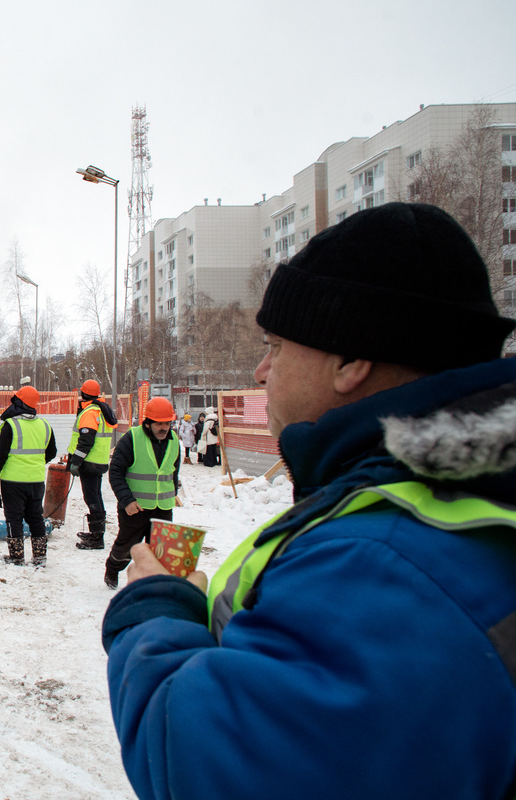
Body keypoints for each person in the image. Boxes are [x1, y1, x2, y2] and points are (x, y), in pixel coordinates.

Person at [100, 202, 516, 800]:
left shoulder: (386, 560)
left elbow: (210, 760)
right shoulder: (435, 510)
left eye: (277, 345)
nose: (261, 368)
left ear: (350, 361)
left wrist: (157, 609)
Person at [104, 396, 182, 589]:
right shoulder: (131, 439)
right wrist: (126, 500)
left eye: (168, 423)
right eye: (159, 424)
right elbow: (115, 473)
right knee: (127, 548)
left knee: (161, 552)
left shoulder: (174, 442)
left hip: (163, 507)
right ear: (148, 423)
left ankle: (152, 585)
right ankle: (112, 569)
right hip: (135, 507)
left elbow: (173, 472)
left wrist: (172, 495)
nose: (164, 427)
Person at [0, 385, 57, 566]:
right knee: (35, 517)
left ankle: (17, 556)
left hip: (13, 480)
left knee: (14, 518)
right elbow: (52, 452)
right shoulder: (45, 425)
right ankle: (40, 556)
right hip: (36, 480)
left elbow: (0, 455)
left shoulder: (11, 425)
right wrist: (35, 463)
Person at [66, 379, 119, 550]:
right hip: (100, 460)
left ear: (83, 394)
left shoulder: (90, 413)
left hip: (89, 462)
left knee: (91, 498)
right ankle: (97, 532)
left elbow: (86, 441)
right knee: (96, 496)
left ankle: (97, 538)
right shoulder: (102, 410)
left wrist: (76, 461)